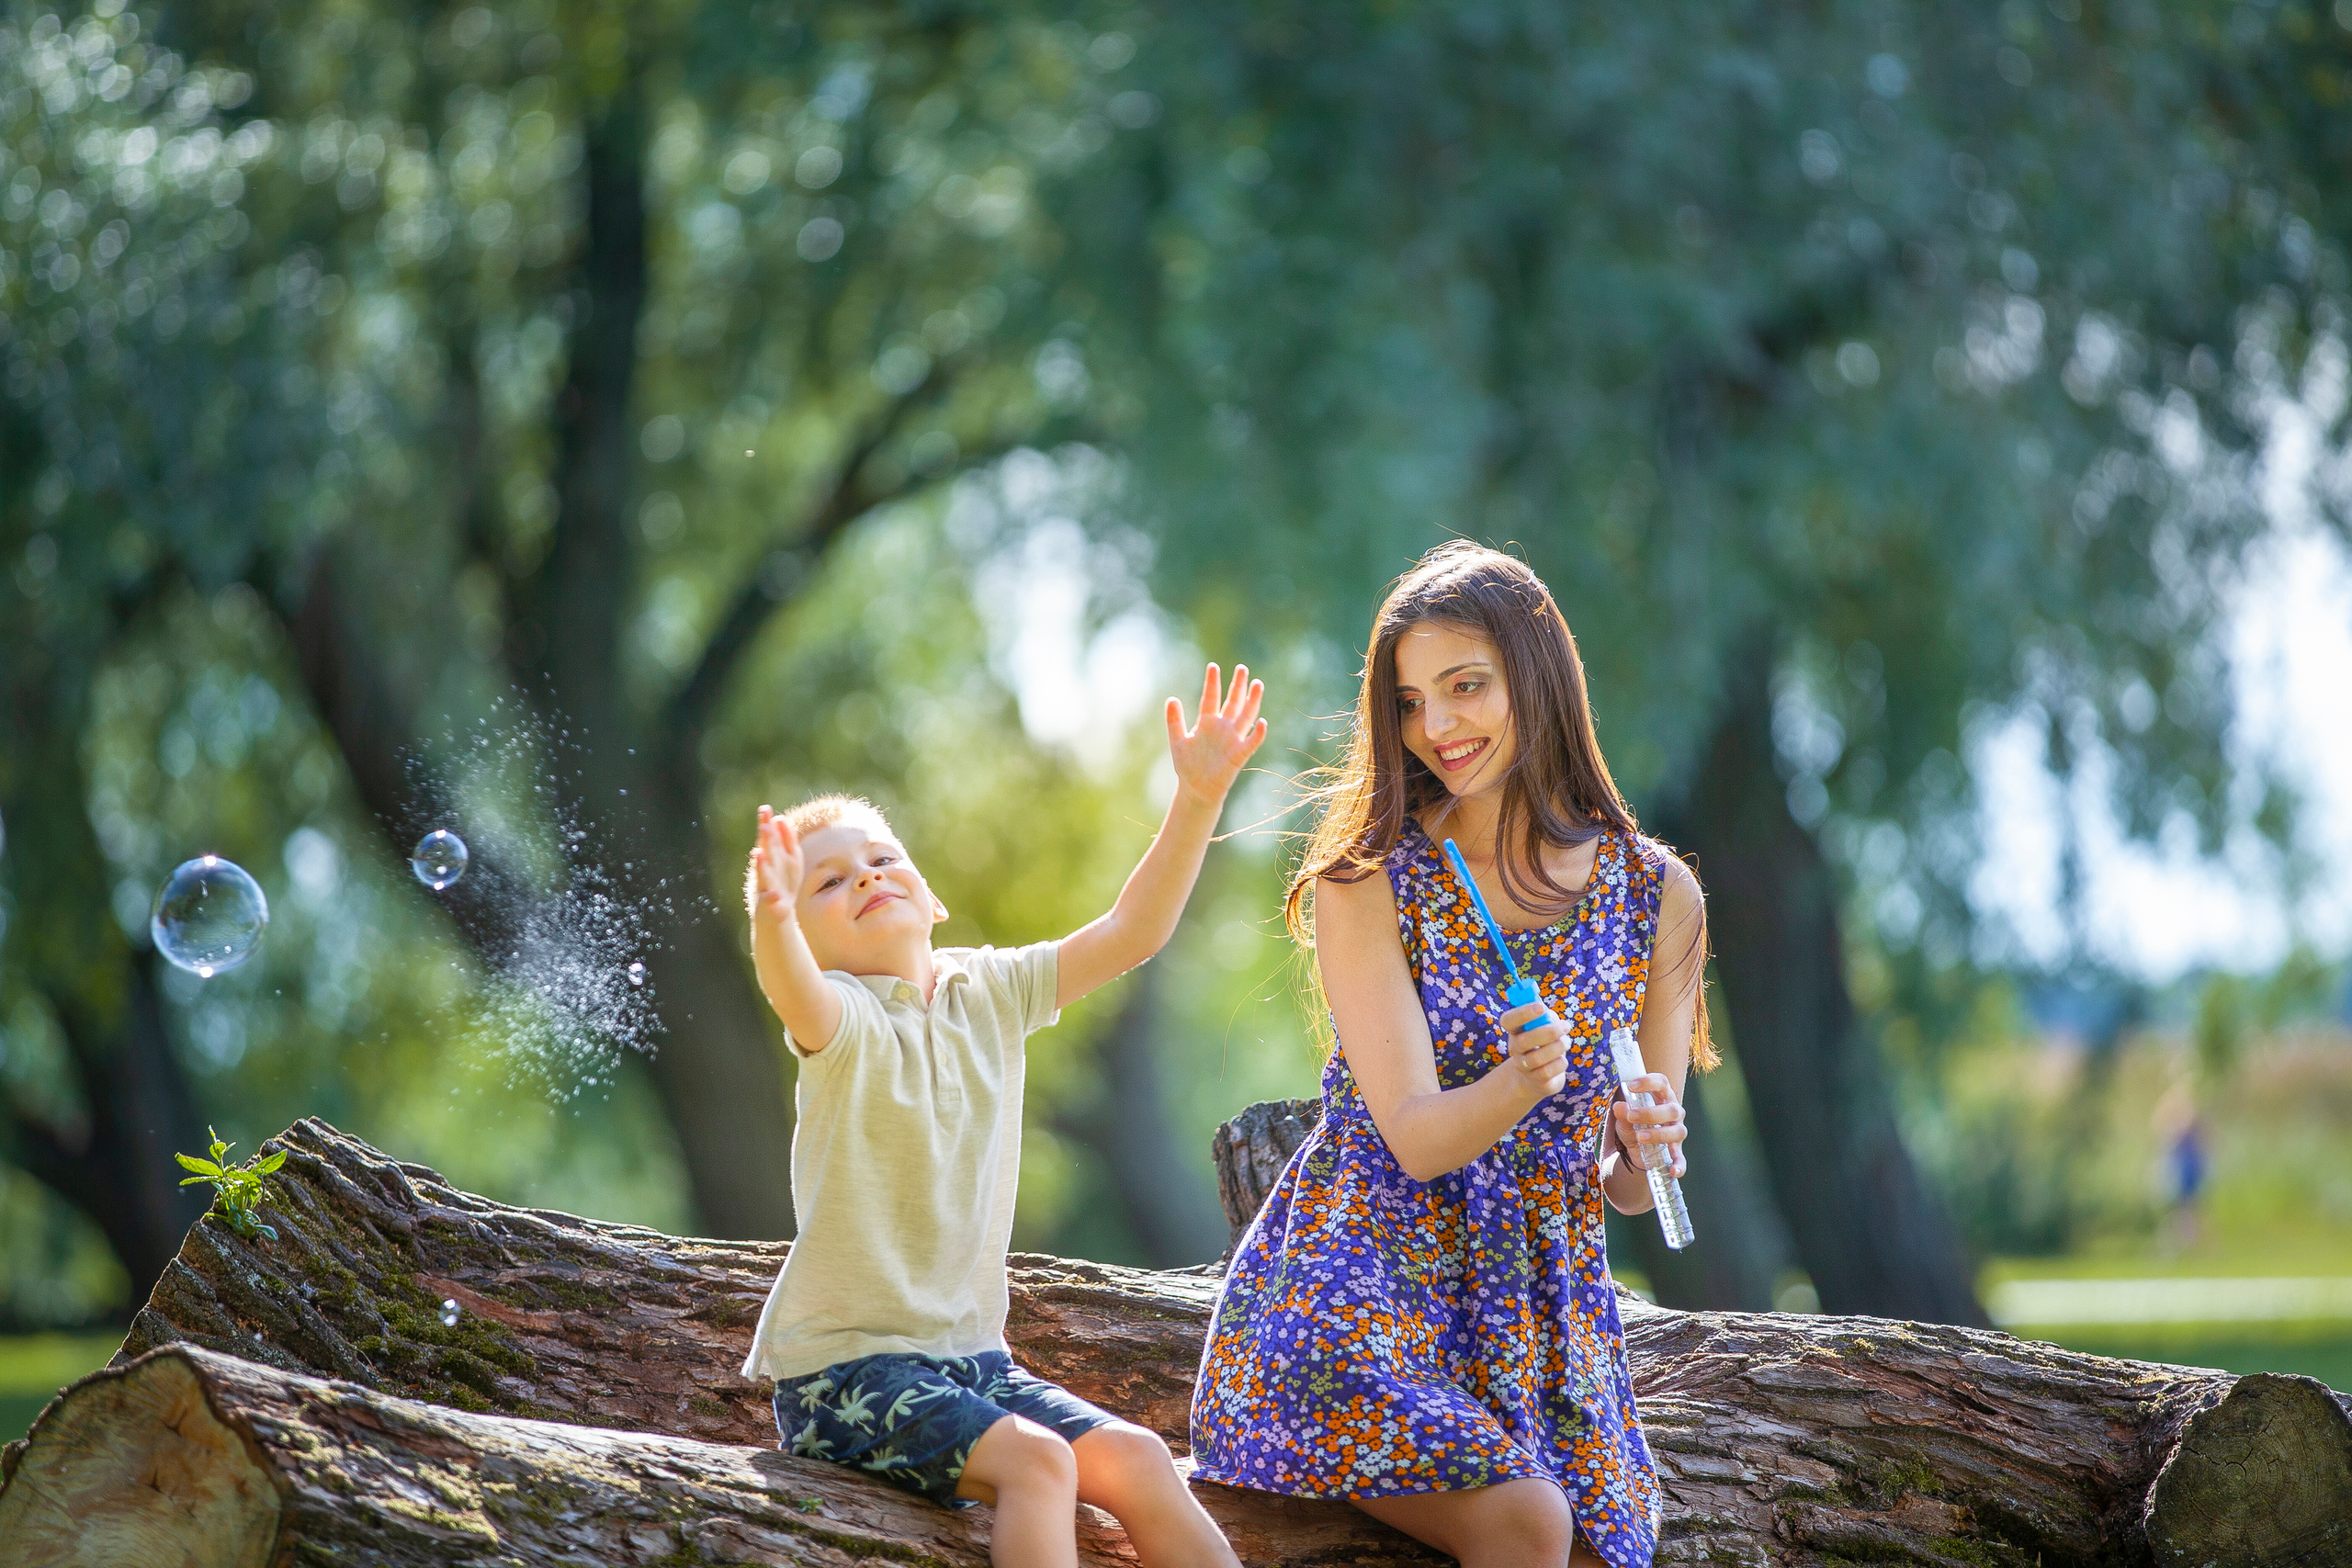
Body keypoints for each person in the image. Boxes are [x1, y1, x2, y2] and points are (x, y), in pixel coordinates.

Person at [1189, 542, 1713, 1568]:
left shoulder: (1659, 896)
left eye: (1465, 687)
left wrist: (1645, 1149)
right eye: (1409, 702)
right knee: (1530, 1523)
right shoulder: (1369, 878)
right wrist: (1521, 1081)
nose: (1438, 728)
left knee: (1603, 1544)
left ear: (1539, 674)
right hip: (1362, 1295)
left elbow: (1626, 1189)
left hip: (1543, 1319)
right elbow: (1420, 1141)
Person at [740, 664, 1265, 1568]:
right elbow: (790, 987)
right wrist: (772, 919)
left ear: (931, 897)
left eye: (881, 859)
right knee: (1038, 1466)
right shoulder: (842, 1019)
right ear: (810, 939)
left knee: (1139, 1460)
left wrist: (1197, 798)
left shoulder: (992, 987)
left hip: (970, 1362)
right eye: (827, 885)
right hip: (845, 1375)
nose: (864, 879)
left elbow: (1130, 933)